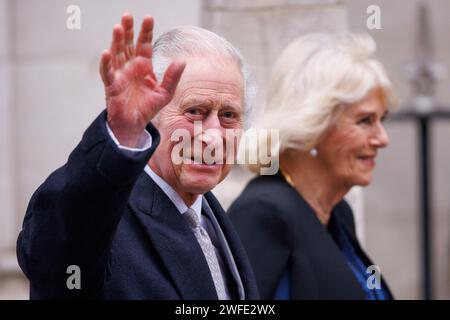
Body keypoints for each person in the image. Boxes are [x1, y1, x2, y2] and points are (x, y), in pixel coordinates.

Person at [16, 12, 259, 300]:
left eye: (229, 115)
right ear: (150, 115)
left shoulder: (208, 212)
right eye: (195, 111)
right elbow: (58, 248)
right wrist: (120, 136)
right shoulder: (104, 216)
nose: (214, 136)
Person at [228, 33, 395, 299]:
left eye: (381, 120)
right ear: (312, 126)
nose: (382, 139)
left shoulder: (338, 212)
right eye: (365, 121)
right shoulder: (263, 213)